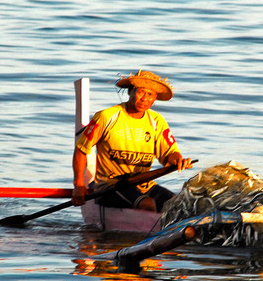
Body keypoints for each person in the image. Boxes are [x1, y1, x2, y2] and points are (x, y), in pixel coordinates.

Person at [72, 70, 194, 211]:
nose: (144, 99)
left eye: (150, 95)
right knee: (147, 204)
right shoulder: (107, 117)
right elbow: (81, 150)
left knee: (182, 206)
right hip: (110, 187)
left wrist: (178, 160)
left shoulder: (157, 121)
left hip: (143, 185)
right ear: (130, 92)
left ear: (155, 99)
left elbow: (169, 154)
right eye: (141, 92)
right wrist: (79, 185)